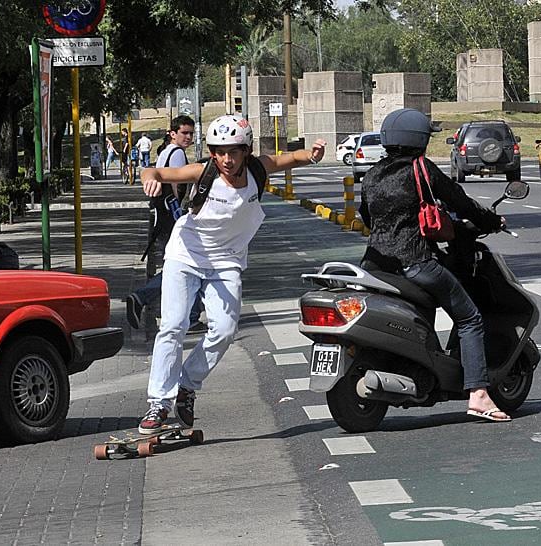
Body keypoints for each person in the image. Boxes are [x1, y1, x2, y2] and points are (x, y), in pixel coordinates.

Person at [137, 114, 326, 434]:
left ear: (246, 151)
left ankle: (187, 385)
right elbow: (157, 171)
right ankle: (159, 402)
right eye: (219, 151)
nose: (226, 158)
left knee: (224, 329)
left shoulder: (256, 169)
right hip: (185, 256)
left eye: (234, 151)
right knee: (173, 325)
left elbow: (289, 158)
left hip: (226, 262)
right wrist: (149, 177)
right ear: (212, 152)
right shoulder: (204, 171)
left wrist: (311, 155)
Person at [358, 108, 510, 423]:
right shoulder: (421, 169)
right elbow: (460, 202)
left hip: (374, 266)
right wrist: (492, 221)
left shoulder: (372, 175)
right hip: (414, 263)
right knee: (470, 318)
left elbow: (367, 218)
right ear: (420, 140)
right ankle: (479, 394)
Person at [126, 116, 206, 335]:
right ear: (173, 133)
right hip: (172, 216)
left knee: (183, 264)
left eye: (191, 133)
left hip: (161, 216)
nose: (188, 137)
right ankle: (146, 297)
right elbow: (176, 186)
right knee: (185, 264)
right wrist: (184, 213)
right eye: (184, 133)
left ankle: (190, 315)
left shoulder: (164, 152)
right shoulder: (177, 153)